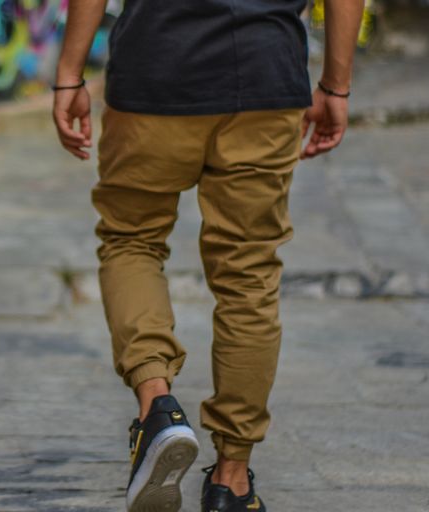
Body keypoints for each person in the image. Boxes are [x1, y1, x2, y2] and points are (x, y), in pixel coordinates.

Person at [52, 0, 364, 510]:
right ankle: (232, 479)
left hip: (155, 71)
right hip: (264, 77)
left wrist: (69, 75)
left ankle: (158, 409)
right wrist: (335, 85)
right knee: (249, 275)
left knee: (132, 241)